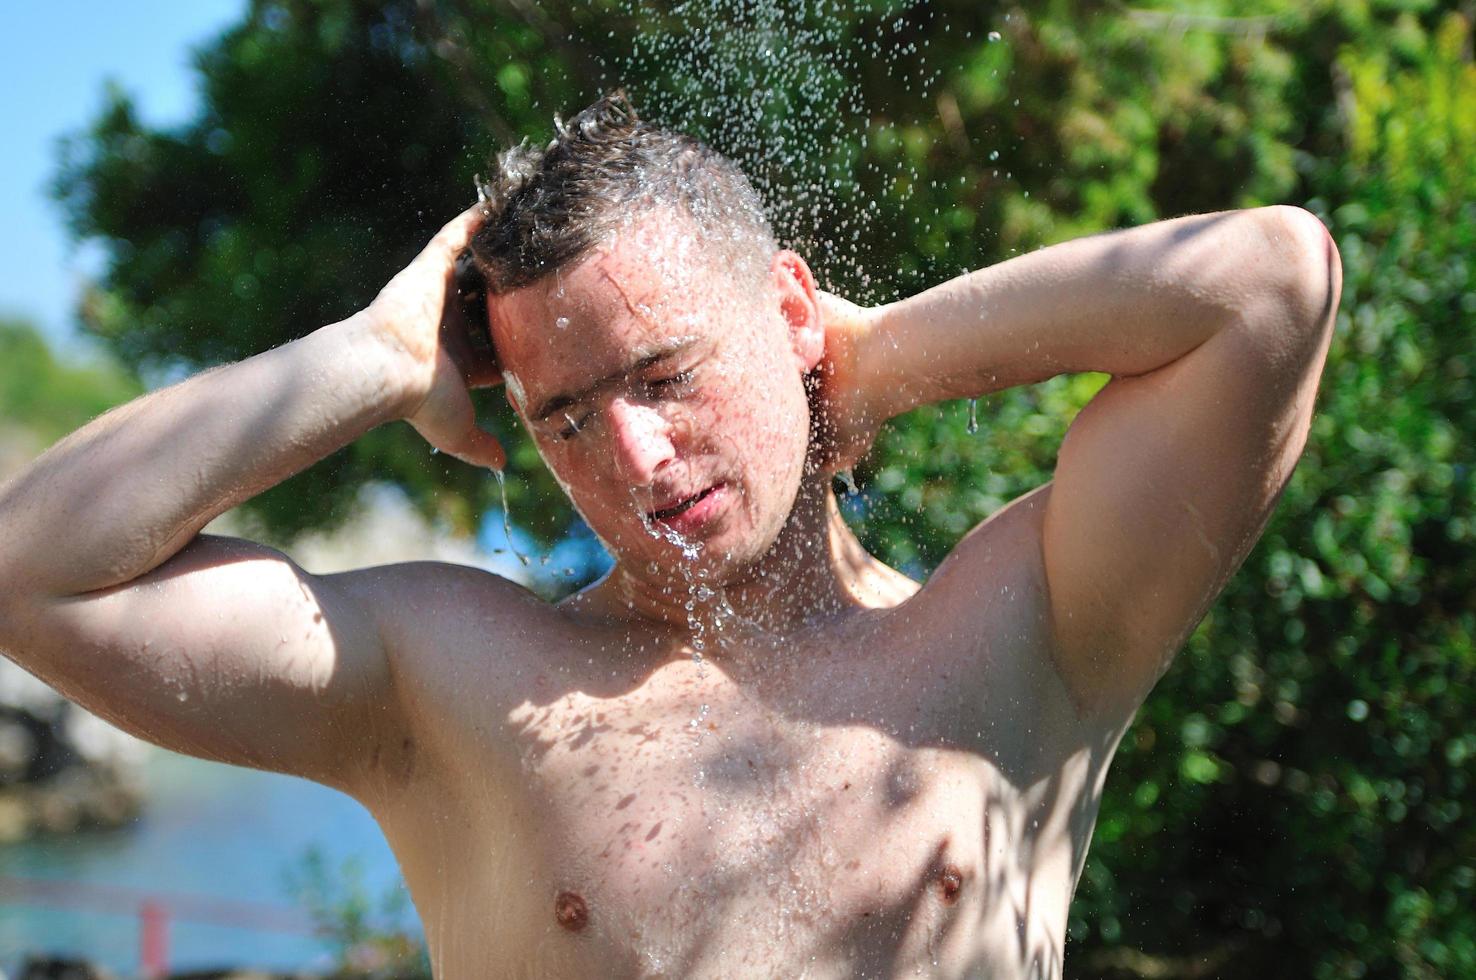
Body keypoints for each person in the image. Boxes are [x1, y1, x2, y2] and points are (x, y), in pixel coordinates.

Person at [0, 91, 1339, 977]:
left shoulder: (1027, 627)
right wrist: (377, 352)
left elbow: (1270, 286)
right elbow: (36, 570)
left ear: (787, 309)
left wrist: (870, 361)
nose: (630, 459)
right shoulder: (459, 675)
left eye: (665, 375)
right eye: (565, 419)